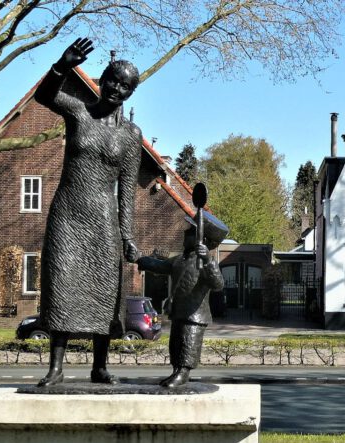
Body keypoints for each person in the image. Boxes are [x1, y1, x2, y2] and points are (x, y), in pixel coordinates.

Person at [33, 38, 142, 387]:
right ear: (100, 80)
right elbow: (45, 96)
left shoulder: (130, 135)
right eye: (112, 80)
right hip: (68, 214)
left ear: (130, 93)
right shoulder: (79, 112)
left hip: (103, 219)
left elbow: (127, 189)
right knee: (61, 283)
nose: (117, 89)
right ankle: (56, 367)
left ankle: (100, 365)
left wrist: (127, 235)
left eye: (125, 86)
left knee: (106, 290)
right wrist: (62, 66)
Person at [137, 212, 228, 387]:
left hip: (195, 315)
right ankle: (176, 370)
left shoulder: (205, 263)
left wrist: (208, 260)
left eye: (191, 231)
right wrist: (140, 258)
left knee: (188, 342)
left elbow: (218, 284)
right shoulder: (180, 259)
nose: (185, 233)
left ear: (202, 240)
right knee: (176, 344)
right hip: (178, 311)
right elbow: (161, 265)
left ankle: (183, 372)